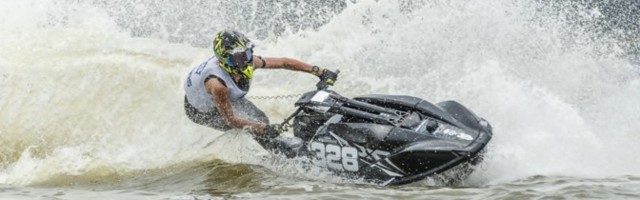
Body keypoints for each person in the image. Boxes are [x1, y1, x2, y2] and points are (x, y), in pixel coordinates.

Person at [184, 30, 338, 139]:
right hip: (201, 111)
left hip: (220, 97)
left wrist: (319, 71)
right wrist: (263, 129)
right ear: (225, 60)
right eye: (239, 58)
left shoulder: (249, 62)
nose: (246, 61)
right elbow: (230, 120)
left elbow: (283, 62)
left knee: (261, 120)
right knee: (256, 129)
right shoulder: (218, 86)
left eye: (247, 54)